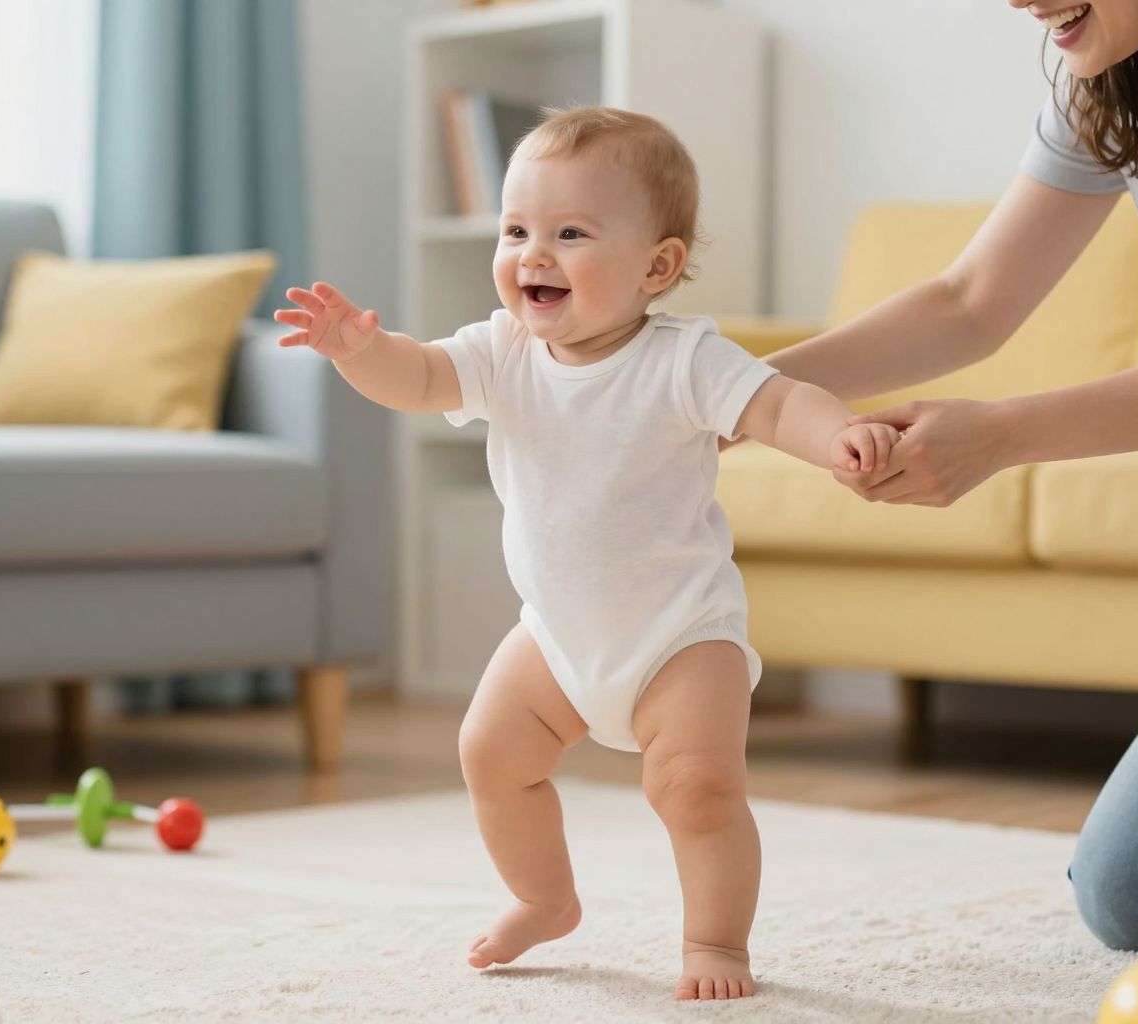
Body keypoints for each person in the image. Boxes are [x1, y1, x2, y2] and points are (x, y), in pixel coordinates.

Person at [273, 106, 899, 1001]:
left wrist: (839, 435)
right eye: (517, 229)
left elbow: (780, 405)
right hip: (556, 639)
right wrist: (357, 350)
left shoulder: (686, 359)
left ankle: (717, 943)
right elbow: (416, 379)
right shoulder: (502, 350)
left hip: (682, 637)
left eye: (570, 234)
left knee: (697, 791)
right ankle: (545, 897)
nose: (534, 254)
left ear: (658, 265)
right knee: (489, 753)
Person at [759, 0, 1138, 980]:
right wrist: (745, 395)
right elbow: (970, 301)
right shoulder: (1116, 87)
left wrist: (1000, 434)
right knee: (1126, 891)